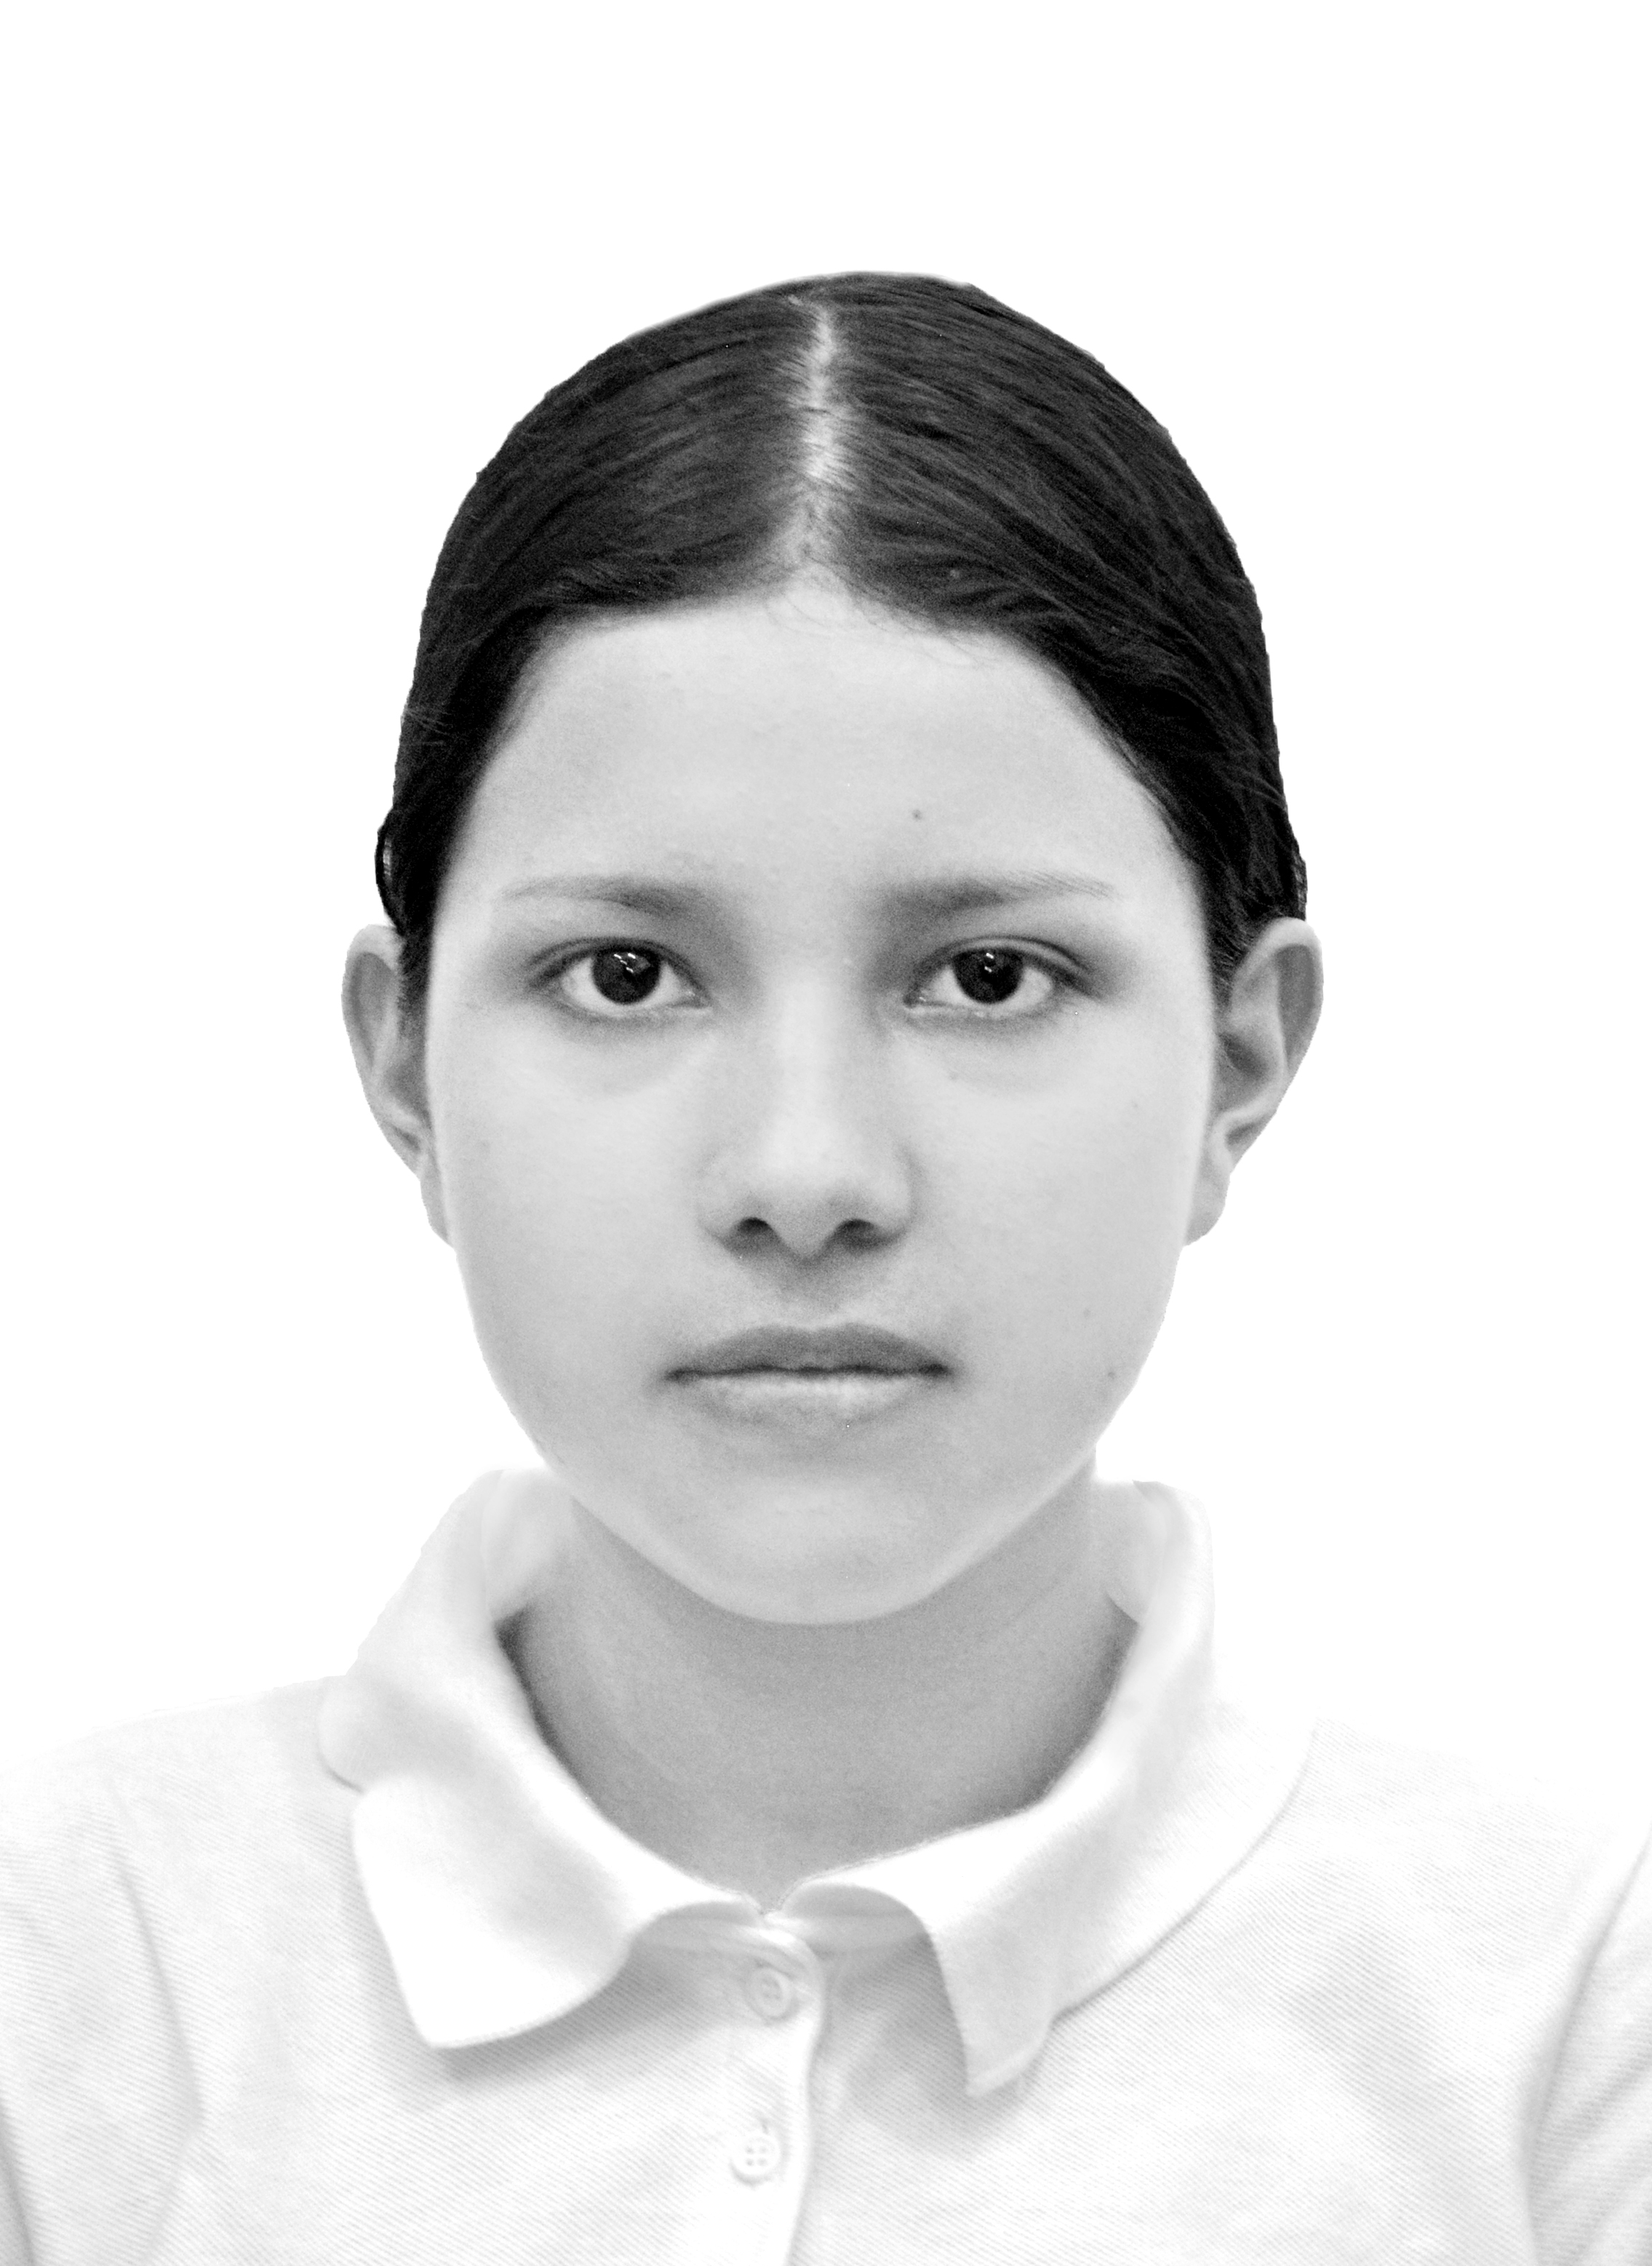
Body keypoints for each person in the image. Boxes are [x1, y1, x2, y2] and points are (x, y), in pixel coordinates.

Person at [1, 273, 1646, 2263]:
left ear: (1240, 1056)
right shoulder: (74, 1971)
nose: (805, 1176)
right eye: (627, 974)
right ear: (405, 1061)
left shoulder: (1572, 2004)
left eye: (988, 976)